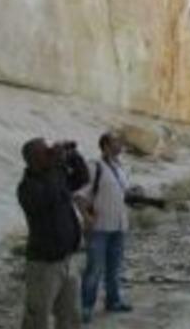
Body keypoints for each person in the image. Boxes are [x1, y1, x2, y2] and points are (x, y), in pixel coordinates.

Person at [17, 137, 90, 329]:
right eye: (45, 152)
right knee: (38, 318)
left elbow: (83, 178)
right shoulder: (27, 187)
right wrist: (56, 164)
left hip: (67, 260)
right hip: (44, 265)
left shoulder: (56, 175)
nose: (51, 154)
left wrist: (73, 156)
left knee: (70, 316)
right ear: (34, 159)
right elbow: (48, 198)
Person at [78, 131, 133, 324]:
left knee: (114, 268)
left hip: (119, 226)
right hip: (99, 228)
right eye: (116, 141)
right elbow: (80, 195)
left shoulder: (120, 167)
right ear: (106, 145)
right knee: (94, 269)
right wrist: (86, 217)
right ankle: (85, 307)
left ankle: (113, 301)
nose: (120, 144)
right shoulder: (94, 167)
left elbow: (123, 194)